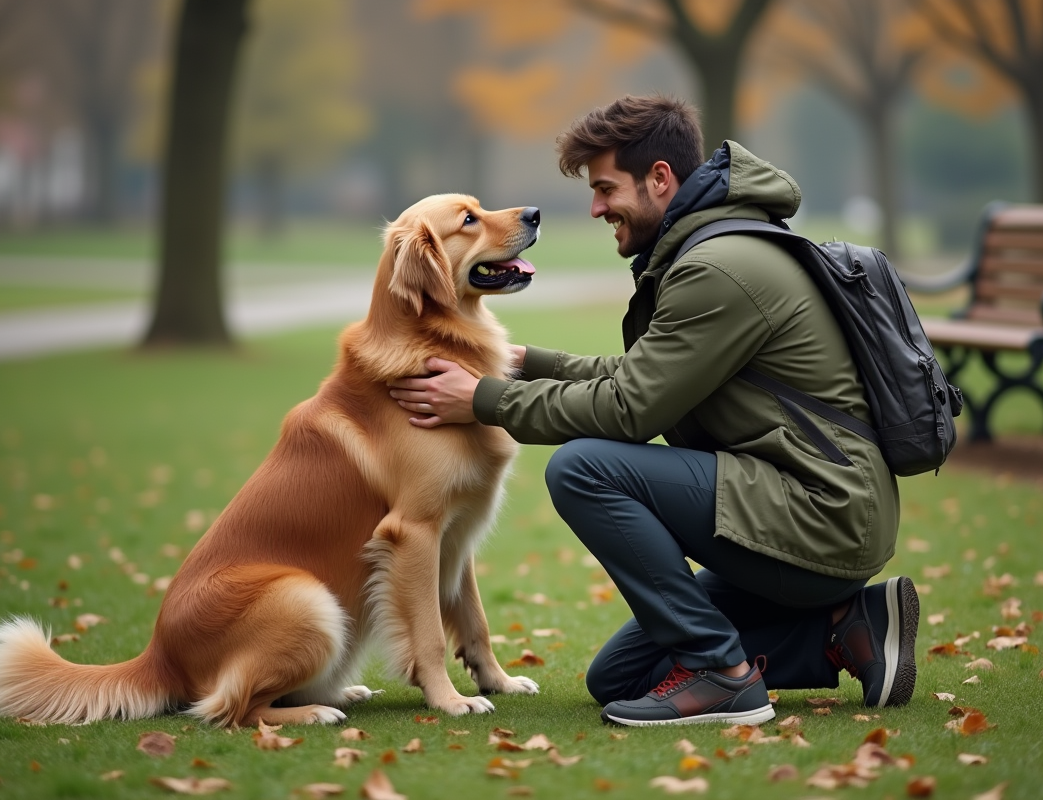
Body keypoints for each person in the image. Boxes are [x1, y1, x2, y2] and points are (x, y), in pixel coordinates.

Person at [387, 94, 917, 728]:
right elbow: (645, 378)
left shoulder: (721, 269)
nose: (596, 208)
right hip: (801, 499)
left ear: (660, 178)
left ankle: (723, 676)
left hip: (820, 511)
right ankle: (846, 629)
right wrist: (528, 363)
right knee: (620, 677)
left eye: (607, 188)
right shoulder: (710, 247)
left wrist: (483, 400)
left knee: (584, 468)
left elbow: (630, 408)